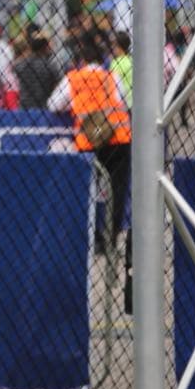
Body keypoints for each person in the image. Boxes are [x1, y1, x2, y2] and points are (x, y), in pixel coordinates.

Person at [49, 38, 132, 267]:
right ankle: (111, 237)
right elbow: (123, 102)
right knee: (117, 190)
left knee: (88, 189)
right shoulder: (111, 76)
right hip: (118, 137)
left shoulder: (73, 78)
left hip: (89, 141)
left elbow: (53, 104)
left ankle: (92, 236)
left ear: (82, 60)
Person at [14, 31, 61, 110]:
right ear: (45, 47)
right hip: (44, 109)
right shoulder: (50, 66)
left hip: (24, 108)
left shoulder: (20, 65)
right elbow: (57, 86)